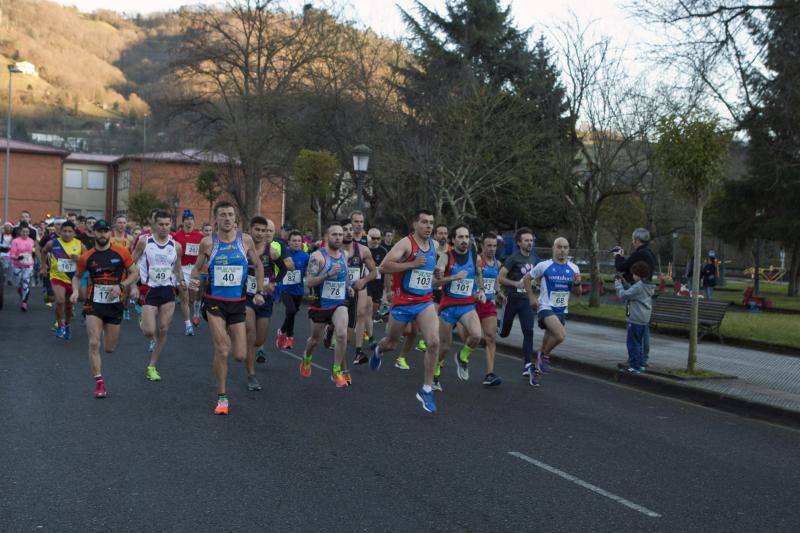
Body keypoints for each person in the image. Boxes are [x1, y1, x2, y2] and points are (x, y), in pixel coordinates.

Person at [190, 201, 266, 415]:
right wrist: (193, 283)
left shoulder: (245, 240)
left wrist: (259, 291)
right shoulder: (208, 242)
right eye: (222, 215)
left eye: (230, 215)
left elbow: (258, 265)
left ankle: (226, 343)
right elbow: (196, 269)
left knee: (240, 355)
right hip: (214, 301)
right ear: (216, 218)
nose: (227, 218)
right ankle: (222, 397)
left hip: (238, 303)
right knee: (222, 349)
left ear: (236, 218)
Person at [370, 209, 442, 414]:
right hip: (402, 302)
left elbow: (428, 269)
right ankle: (378, 350)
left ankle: (427, 389)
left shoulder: (434, 245)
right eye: (425, 222)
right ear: (415, 224)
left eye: (431, 223)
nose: (429, 226)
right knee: (391, 343)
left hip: (424, 301)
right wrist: (412, 263)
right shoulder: (406, 244)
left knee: (434, 342)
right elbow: (384, 266)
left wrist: (435, 271)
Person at [70, 220, 139, 398]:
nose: (102, 234)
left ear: (110, 233)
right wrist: (76, 291)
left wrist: (123, 286)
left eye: (105, 231)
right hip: (94, 304)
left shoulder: (121, 251)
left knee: (109, 348)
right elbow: (77, 277)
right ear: (94, 233)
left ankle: (103, 336)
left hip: (115, 304)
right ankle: (99, 382)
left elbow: (135, 272)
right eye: (99, 231)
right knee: (94, 343)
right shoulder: (88, 256)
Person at [299, 222, 354, 388]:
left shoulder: (344, 254)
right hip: (320, 304)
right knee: (315, 339)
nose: (338, 237)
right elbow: (308, 282)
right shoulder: (317, 257)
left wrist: (348, 287)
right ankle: (307, 357)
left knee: (342, 334)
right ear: (326, 237)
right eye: (334, 234)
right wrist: (328, 274)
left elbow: (344, 275)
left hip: (339, 302)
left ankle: (336, 370)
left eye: (340, 234)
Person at [132, 210, 185, 382]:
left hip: (168, 289)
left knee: (163, 329)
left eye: (167, 224)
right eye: (160, 224)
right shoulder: (144, 242)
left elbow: (177, 268)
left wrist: (182, 281)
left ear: (171, 224)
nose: (164, 227)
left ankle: (152, 366)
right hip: (149, 289)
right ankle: (144, 322)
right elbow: (131, 264)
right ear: (154, 224)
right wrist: (132, 285)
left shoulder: (176, 246)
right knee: (149, 330)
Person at [434, 225, 485, 389]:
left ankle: (462, 357)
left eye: (466, 237)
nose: (464, 241)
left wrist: (481, 290)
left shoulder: (475, 256)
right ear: (453, 240)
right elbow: (435, 283)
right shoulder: (445, 257)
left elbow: (478, 275)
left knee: (477, 335)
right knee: (445, 347)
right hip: (448, 307)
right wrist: (454, 277)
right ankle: (435, 372)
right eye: (460, 237)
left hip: (467, 305)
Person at [243, 217, 287, 391]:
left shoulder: (271, 252)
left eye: (264, 230)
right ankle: (251, 375)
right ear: (250, 230)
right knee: (251, 335)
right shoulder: (243, 250)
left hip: (265, 298)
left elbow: (283, 269)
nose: (260, 233)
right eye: (257, 230)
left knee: (260, 339)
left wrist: (273, 283)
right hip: (246, 297)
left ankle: (250, 352)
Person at [530, 237, 582, 385]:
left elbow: (578, 293)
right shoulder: (544, 265)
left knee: (546, 342)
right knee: (560, 336)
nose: (562, 250)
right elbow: (527, 279)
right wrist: (532, 297)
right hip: (545, 308)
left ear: (568, 250)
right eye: (559, 247)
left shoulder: (574, 268)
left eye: (565, 247)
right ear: (553, 248)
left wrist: (578, 283)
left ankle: (535, 372)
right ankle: (544, 357)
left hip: (561, 310)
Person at [497, 227, 538, 379]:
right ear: (519, 243)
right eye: (526, 240)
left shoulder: (534, 259)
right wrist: (515, 284)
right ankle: (497, 324)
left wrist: (535, 286)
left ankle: (528, 364)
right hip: (512, 299)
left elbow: (536, 276)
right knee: (504, 333)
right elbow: (500, 278)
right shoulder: (513, 258)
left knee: (529, 331)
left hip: (525, 301)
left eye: (531, 240)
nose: (530, 243)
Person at [613, 228, 657, 368]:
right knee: (644, 331)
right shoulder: (650, 253)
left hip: (636, 295)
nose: (632, 242)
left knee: (634, 335)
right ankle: (642, 359)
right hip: (645, 295)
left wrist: (618, 256)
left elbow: (621, 266)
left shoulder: (640, 253)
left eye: (633, 239)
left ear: (637, 240)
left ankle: (635, 361)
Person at [341, 219, 378, 365]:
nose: (349, 232)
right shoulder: (332, 250)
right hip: (336, 291)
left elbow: (374, 271)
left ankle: (358, 350)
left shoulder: (362, 250)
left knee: (360, 314)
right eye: (345, 229)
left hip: (357, 288)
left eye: (351, 229)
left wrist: (363, 281)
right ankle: (330, 329)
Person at [41, 221, 85, 339]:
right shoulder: (52, 243)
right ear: (60, 232)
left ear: (74, 233)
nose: (67, 234)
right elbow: (43, 252)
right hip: (57, 276)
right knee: (60, 301)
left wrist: (79, 259)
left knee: (69, 305)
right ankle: (60, 325)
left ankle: (67, 326)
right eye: (64, 231)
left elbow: (87, 259)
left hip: (73, 279)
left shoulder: (79, 244)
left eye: (70, 231)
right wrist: (44, 266)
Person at [475, 233, 505, 386]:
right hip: (472, 303)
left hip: (488, 303)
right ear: (482, 246)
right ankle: (462, 356)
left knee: (491, 337)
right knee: (473, 338)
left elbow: (495, 283)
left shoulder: (497, 264)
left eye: (494, 246)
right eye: (489, 245)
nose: (492, 249)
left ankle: (489, 374)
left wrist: (499, 294)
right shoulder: (477, 260)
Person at [614, 261, 654, 373]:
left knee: (632, 343)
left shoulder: (639, 287)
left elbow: (623, 295)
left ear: (637, 274)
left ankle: (634, 366)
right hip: (644, 319)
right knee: (639, 343)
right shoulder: (646, 285)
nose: (632, 275)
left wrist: (618, 285)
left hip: (635, 319)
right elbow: (632, 290)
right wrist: (625, 282)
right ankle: (640, 364)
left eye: (633, 274)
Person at [173, 209, 205, 334]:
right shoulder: (177, 236)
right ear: (183, 222)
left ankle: (196, 311)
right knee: (184, 296)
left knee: (193, 296)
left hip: (195, 270)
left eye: (191, 219)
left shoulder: (200, 236)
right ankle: (188, 325)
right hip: (182, 269)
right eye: (187, 219)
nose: (189, 222)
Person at [277, 230, 309, 350]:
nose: (296, 243)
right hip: (285, 289)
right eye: (294, 241)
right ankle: (289, 337)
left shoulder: (306, 256)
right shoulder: (283, 255)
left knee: (292, 313)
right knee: (290, 311)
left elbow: (309, 271)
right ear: (288, 242)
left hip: (298, 290)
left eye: (299, 241)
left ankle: (282, 331)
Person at [366, 228, 390, 326]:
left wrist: (387, 286)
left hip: (378, 282)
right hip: (365, 282)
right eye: (373, 238)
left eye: (378, 238)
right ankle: (362, 324)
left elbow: (387, 269)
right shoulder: (363, 249)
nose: (376, 241)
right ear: (368, 237)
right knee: (368, 304)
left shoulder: (383, 251)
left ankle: (369, 323)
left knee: (375, 306)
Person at [10, 223, 36, 311]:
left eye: (26, 232)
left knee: (25, 282)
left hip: (28, 265)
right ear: (20, 232)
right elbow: (11, 254)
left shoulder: (31, 241)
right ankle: (21, 291)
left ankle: (24, 302)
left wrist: (33, 258)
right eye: (23, 232)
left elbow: (33, 252)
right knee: (18, 284)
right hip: (17, 265)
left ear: (29, 233)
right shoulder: (15, 241)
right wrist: (17, 257)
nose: (25, 234)